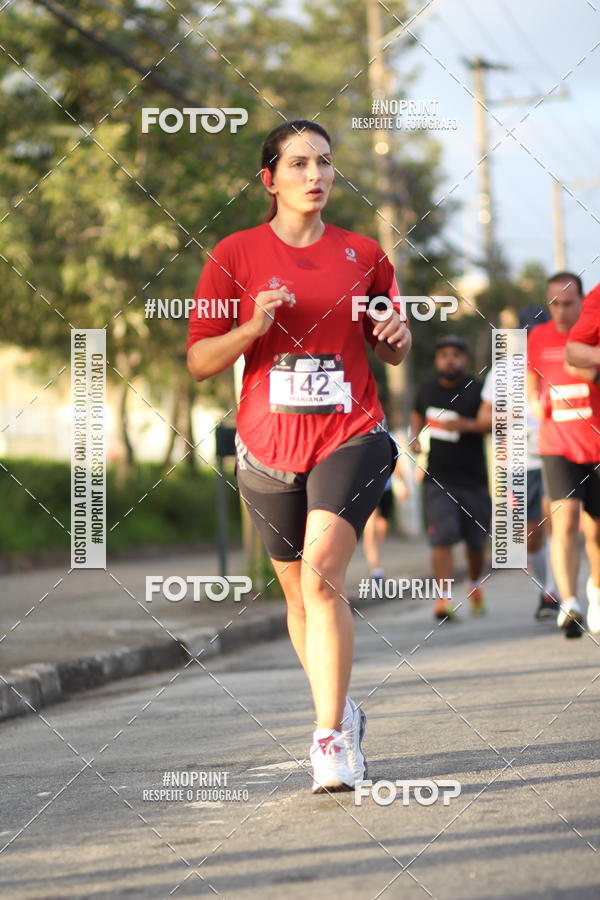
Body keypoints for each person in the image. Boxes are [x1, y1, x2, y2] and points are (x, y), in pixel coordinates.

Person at [186, 120, 411, 793]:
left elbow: (391, 346)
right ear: (270, 178)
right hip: (267, 445)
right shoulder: (234, 254)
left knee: (320, 579)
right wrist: (252, 327)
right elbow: (200, 360)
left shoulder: (364, 254)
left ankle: (329, 740)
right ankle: (340, 707)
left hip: (351, 432)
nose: (315, 176)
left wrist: (397, 335)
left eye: (325, 164)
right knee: (296, 594)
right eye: (299, 164)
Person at [527, 273, 600, 637]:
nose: (560, 310)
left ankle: (596, 592)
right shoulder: (537, 337)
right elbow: (529, 384)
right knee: (566, 518)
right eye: (553, 303)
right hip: (557, 445)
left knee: (596, 531)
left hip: (596, 442)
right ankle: (569, 601)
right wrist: (534, 403)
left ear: (583, 302)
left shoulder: (592, 334)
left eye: (568, 303)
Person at [478, 306, 559, 620]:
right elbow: (483, 417)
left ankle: (556, 592)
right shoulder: (502, 371)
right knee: (529, 535)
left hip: (552, 455)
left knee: (557, 524)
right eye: (527, 332)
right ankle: (546, 589)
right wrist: (512, 416)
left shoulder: (556, 362)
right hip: (517, 462)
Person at [409, 336, 490, 620]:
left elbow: (493, 423)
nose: (450, 360)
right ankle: (443, 599)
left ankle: (474, 583)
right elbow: (417, 413)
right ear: (437, 361)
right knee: (441, 537)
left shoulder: (477, 389)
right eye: (444, 355)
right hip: (437, 479)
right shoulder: (427, 388)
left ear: (464, 360)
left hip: (473, 480)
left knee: (476, 543)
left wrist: (466, 425)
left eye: (455, 355)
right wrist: (414, 438)